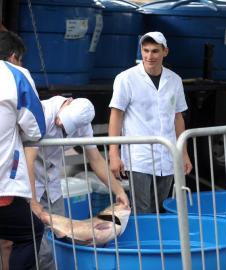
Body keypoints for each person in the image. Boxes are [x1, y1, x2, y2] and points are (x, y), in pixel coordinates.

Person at [24, 96, 130, 270]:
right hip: (29, 182)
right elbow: (29, 160)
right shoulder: (41, 112)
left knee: (60, 241)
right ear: (68, 101)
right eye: (60, 121)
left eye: (66, 128)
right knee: (40, 248)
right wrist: (33, 201)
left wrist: (119, 191)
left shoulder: (83, 123)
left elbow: (95, 159)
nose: (59, 124)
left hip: (52, 186)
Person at [109, 31, 192, 213]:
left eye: (155, 51)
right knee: (143, 209)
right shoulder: (126, 78)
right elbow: (116, 115)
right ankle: (144, 241)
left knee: (162, 208)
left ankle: (159, 242)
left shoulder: (175, 80)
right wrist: (114, 154)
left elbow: (178, 117)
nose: (149, 56)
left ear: (165, 52)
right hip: (140, 157)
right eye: (145, 50)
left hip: (167, 156)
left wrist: (183, 153)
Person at [0, 30, 46, 270]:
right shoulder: (15, 75)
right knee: (30, 233)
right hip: (1, 193)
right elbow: (36, 128)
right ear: (14, 56)